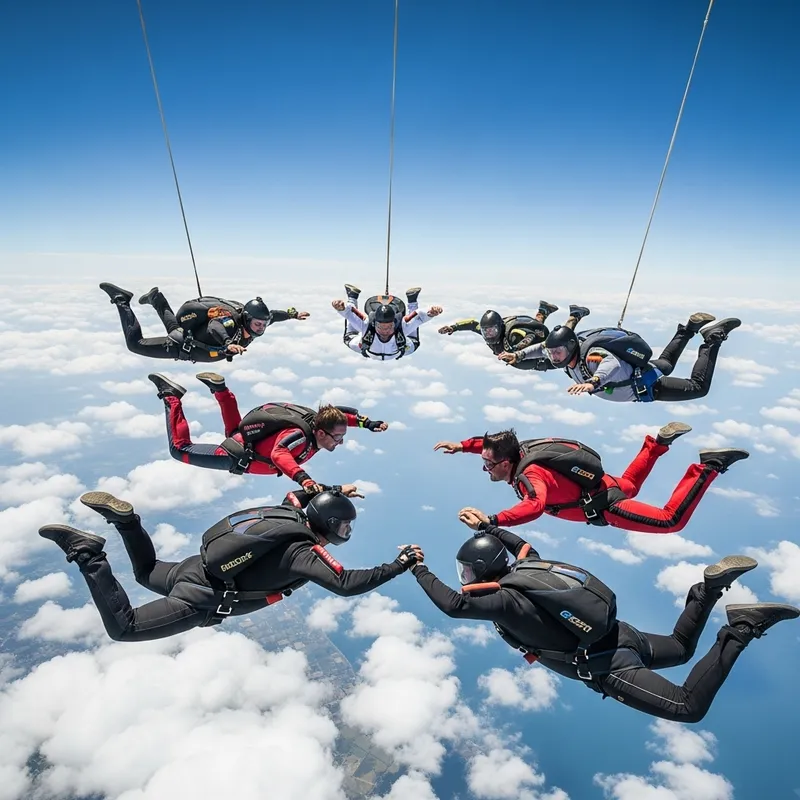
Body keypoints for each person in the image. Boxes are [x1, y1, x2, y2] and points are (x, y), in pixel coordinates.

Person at [408, 526, 799, 723]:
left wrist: (418, 569)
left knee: (688, 707)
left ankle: (742, 627)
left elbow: (455, 606)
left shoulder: (504, 601)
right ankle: (707, 591)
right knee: (681, 649)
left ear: (481, 569)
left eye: (466, 569)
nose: (463, 575)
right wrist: (492, 529)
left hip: (608, 664)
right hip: (619, 633)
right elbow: (522, 546)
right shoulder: (528, 569)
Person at [38, 489, 423, 642]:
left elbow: (300, 494)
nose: (346, 530)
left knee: (146, 571)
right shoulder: (302, 552)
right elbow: (346, 583)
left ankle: (126, 522)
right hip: (201, 597)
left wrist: (330, 491)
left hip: (192, 568)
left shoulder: (287, 513)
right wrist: (399, 564)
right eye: (344, 525)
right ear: (329, 526)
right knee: (126, 628)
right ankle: (87, 552)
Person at [433, 424, 749, 533]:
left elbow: (535, 505)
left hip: (605, 505)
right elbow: (488, 446)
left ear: (506, 462)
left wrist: (492, 521)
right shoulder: (520, 450)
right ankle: (656, 445)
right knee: (632, 486)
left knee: (670, 521)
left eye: (488, 465)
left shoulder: (530, 475)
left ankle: (708, 467)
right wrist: (462, 446)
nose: (485, 467)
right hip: (604, 485)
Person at [149, 372, 388, 487]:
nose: (340, 442)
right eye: (338, 438)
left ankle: (221, 389)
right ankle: (171, 396)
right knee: (180, 450)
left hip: (246, 440)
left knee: (234, 431)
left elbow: (341, 418)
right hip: (237, 456)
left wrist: (367, 423)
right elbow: (279, 454)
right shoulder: (300, 438)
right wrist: (303, 479)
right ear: (322, 433)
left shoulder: (319, 421)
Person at [500, 310, 741, 402]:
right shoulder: (564, 351)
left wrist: (593, 382)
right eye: (554, 353)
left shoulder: (591, 356)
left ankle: (713, 338)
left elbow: (610, 363)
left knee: (698, 388)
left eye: (558, 352)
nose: (554, 357)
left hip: (646, 386)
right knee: (665, 363)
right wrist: (518, 355)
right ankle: (688, 328)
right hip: (639, 378)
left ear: (571, 346)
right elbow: (541, 348)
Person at [99, 282, 310, 362]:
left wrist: (292, 314)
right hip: (183, 346)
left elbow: (273, 315)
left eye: (263, 324)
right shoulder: (230, 323)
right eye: (257, 324)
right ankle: (121, 300)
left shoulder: (257, 321)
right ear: (246, 319)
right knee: (136, 345)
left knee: (175, 327)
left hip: (191, 336)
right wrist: (228, 344)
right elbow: (215, 326)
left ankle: (156, 298)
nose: (261, 328)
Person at [438, 302, 585, 371]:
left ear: (500, 328)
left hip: (538, 342)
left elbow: (531, 337)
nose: (489, 334)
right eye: (485, 331)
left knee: (560, 340)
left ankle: (575, 315)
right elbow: (472, 324)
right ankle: (544, 310)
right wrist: (454, 327)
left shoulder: (514, 334)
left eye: (492, 331)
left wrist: (517, 352)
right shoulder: (487, 331)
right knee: (538, 327)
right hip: (531, 336)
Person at [331, 284, 442, 360]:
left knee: (349, 337)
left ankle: (353, 295)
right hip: (384, 351)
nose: (385, 330)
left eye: (389, 326)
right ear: (375, 323)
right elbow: (350, 314)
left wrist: (430, 312)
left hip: (390, 351)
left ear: (394, 323)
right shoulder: (367, 325)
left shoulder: (401, 325)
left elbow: (419, 316)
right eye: (381, 326)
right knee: (414, 340)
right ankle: (352, 297)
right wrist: (342, 308)